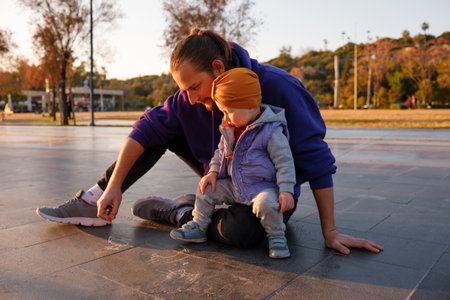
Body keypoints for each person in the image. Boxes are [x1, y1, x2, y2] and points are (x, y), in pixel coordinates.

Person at [36, 28, 383, 255]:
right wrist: (113, 185)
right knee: (158, 125)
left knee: (245, 232)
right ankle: (94, 199)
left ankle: (182, 212)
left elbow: (316, 159)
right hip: (221, 173)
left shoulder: (279, 88)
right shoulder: (190, 99)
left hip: (266, 185)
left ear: (218, 68)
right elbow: (144, 129)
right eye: (182, 88)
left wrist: (331, 231)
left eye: (193, 87)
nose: (188, 98)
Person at [170, 68, 295, 259]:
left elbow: (285, 162)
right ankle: (200, 225)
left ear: (248, 104)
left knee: (268, 204)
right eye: (223, 112)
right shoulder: (230, 128)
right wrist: (212, 173)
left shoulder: (270, 132)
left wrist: (286, 190)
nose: (225, 118)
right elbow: (219, 153)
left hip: (261, 187)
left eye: (229, 112)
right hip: (234, 185)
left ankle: (277, 236)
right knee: (206, 189)